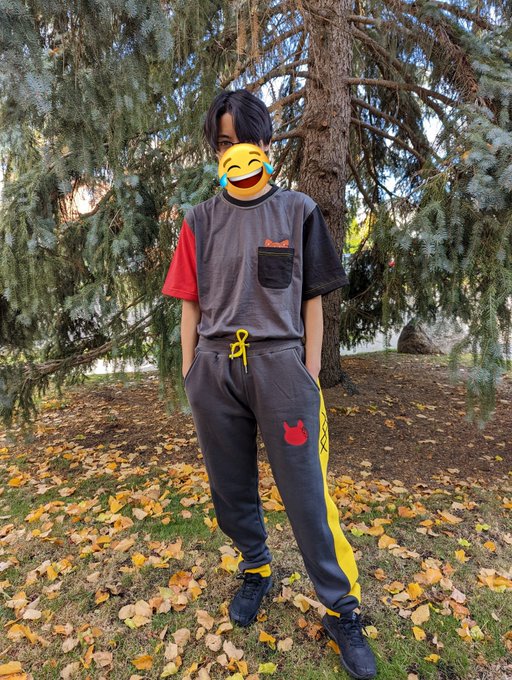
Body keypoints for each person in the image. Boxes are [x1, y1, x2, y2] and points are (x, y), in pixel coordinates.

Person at [161, 89, 377, 680]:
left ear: (266, 143)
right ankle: (256, 569)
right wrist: (191, 371)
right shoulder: (199, 220)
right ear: (215, 151)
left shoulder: (298, 211)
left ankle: (342, 609)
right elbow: (189, 302)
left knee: (307, 497)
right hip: (215, 370)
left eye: (245, 139)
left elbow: (313, 301)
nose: (235, 151)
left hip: (283, 370)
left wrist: (309, 372)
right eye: (224, 142)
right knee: (230, 491)